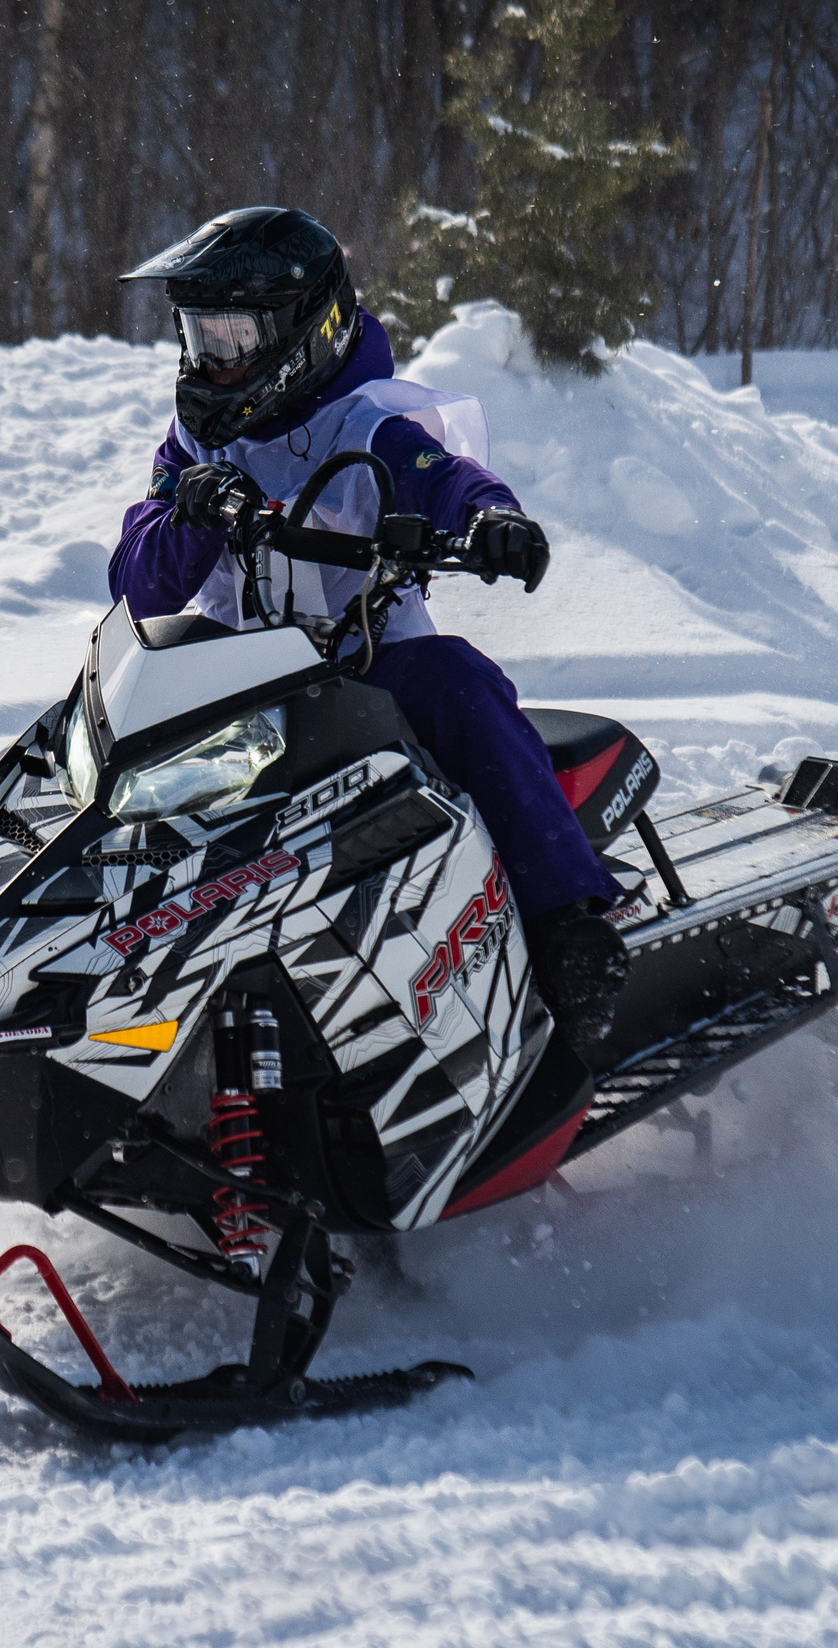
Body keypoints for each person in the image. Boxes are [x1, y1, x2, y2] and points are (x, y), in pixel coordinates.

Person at [112, 205, 635, 1072]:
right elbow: (138, 581)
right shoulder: (195, 439)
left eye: (235, 335)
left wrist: (493, 521)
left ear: (303, 330)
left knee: (459, 684)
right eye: (201, 336)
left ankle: (567, 927)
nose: (216, 361)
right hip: (238, 680)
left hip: (368, 668)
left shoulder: (370, 424)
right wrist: (191, 515)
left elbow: (449, 479)